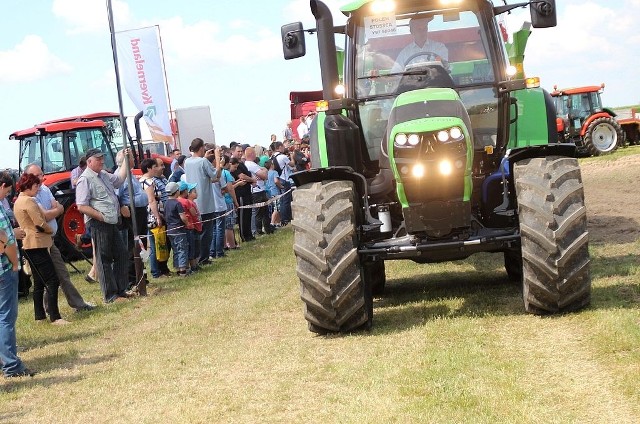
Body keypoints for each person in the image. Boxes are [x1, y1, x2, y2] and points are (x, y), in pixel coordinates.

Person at [24, 164, 95, 312]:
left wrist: (55, 210)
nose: (41, 178)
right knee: (46, 278)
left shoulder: (44, 189)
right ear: (28, 177)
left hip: (51, 240)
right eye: (36, 175)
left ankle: (77, 304)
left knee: (62, 274)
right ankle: (48, 310)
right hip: (39, 243)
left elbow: (59, 208)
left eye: (41, 174)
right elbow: (45, 215)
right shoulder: (29, 197)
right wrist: (54, 210)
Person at [75, 148, 131, 303]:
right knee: (103, 258)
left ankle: (121, 290)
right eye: (98, 159)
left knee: (121, 254)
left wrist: (126, 160)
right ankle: (111, 296)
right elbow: (81, 205)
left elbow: (119, 180)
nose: (102, 161)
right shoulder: (84, 179)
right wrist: (100, 216)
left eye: (102, 158)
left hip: (111, 221)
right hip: (99, 223)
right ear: (89, 162)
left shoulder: (104, 174)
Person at [13, 173, 69, 324]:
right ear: (28, 186)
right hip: (38, 243)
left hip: (29, 244)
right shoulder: (29, 201)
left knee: (39, 281)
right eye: (36, 186)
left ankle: (39, 316)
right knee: (52, 279)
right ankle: (55, 317)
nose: (38, 189)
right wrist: (50, 230)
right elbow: (40, 223)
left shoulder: (18, 201)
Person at [0, 172, 36, 378]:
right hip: (4, 269)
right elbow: (5, 241)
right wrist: (15, 264)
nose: (7, 195)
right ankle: (12, 365)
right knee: (6, 318)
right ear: (3, 185)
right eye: (6, 190)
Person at [114, 151, 149, 289]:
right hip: (131, 212)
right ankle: (132, 279)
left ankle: (141, 275)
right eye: (132, 158)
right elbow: (116, 194)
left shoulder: (132, 174)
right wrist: (122, 206)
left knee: (141, 243)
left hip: (140, 211)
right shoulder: (119, 176)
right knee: (131, 246)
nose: (135, 160)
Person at [183, 138, 220, 265]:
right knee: (207, 232)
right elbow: (215, 175)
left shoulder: (187, 162)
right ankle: (204, 257)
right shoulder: (203, 161)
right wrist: (217, 159)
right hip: (205, 202)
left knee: (196, 232)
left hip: (193, 201)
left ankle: (196, 258)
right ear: (201, 148)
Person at [139, 158, 171, 278]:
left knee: (156, 243)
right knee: (154, 244)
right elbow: (152, 200)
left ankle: (160, 269)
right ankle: (156, 271)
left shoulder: (141, 181)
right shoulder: (149, 182)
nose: (157, 169)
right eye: (154, 167)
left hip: (150, 215)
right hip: (152, 216)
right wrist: (158, 216)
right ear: (149, 168)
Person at [244, 147, 274, 236]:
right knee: (258, 212)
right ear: (252, 154)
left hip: (261, 189)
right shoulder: (251, 164)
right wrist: (264, 171)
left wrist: (264, 170)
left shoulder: (251, 164)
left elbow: (264, 172)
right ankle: (258, 231)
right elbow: (264, 175)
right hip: (257, 191)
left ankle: (267, 229)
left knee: (265, 211)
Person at [230, 144, 256, 242]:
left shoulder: (241, 162)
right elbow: (242, 176)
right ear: (233, 152)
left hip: (247, 192)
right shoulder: (234, 164)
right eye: (238, 151)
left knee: (248, 214)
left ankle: (249, 234)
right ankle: (244, 236)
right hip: (240, 193)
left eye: (241, 151)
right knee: (243, 215)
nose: (240, 153)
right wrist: (252, 179)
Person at [163, 182, 190, 277]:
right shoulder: (177, 203)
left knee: (175, 249)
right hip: (179, 230)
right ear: (177, 192)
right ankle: (183, 270)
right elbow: (182, 216)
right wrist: (187, 223)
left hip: (170, 230)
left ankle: (177, 268)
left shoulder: (166, 203)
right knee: (182, 249)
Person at [221, 156, 241, 250]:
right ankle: (232, 245)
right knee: (229, 225)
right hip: (228, 201)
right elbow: (230, 188)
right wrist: (235, 202)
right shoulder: (226, 173)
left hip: (221, 201)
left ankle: (224, 245)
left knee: (223, 225)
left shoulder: (218, 173)